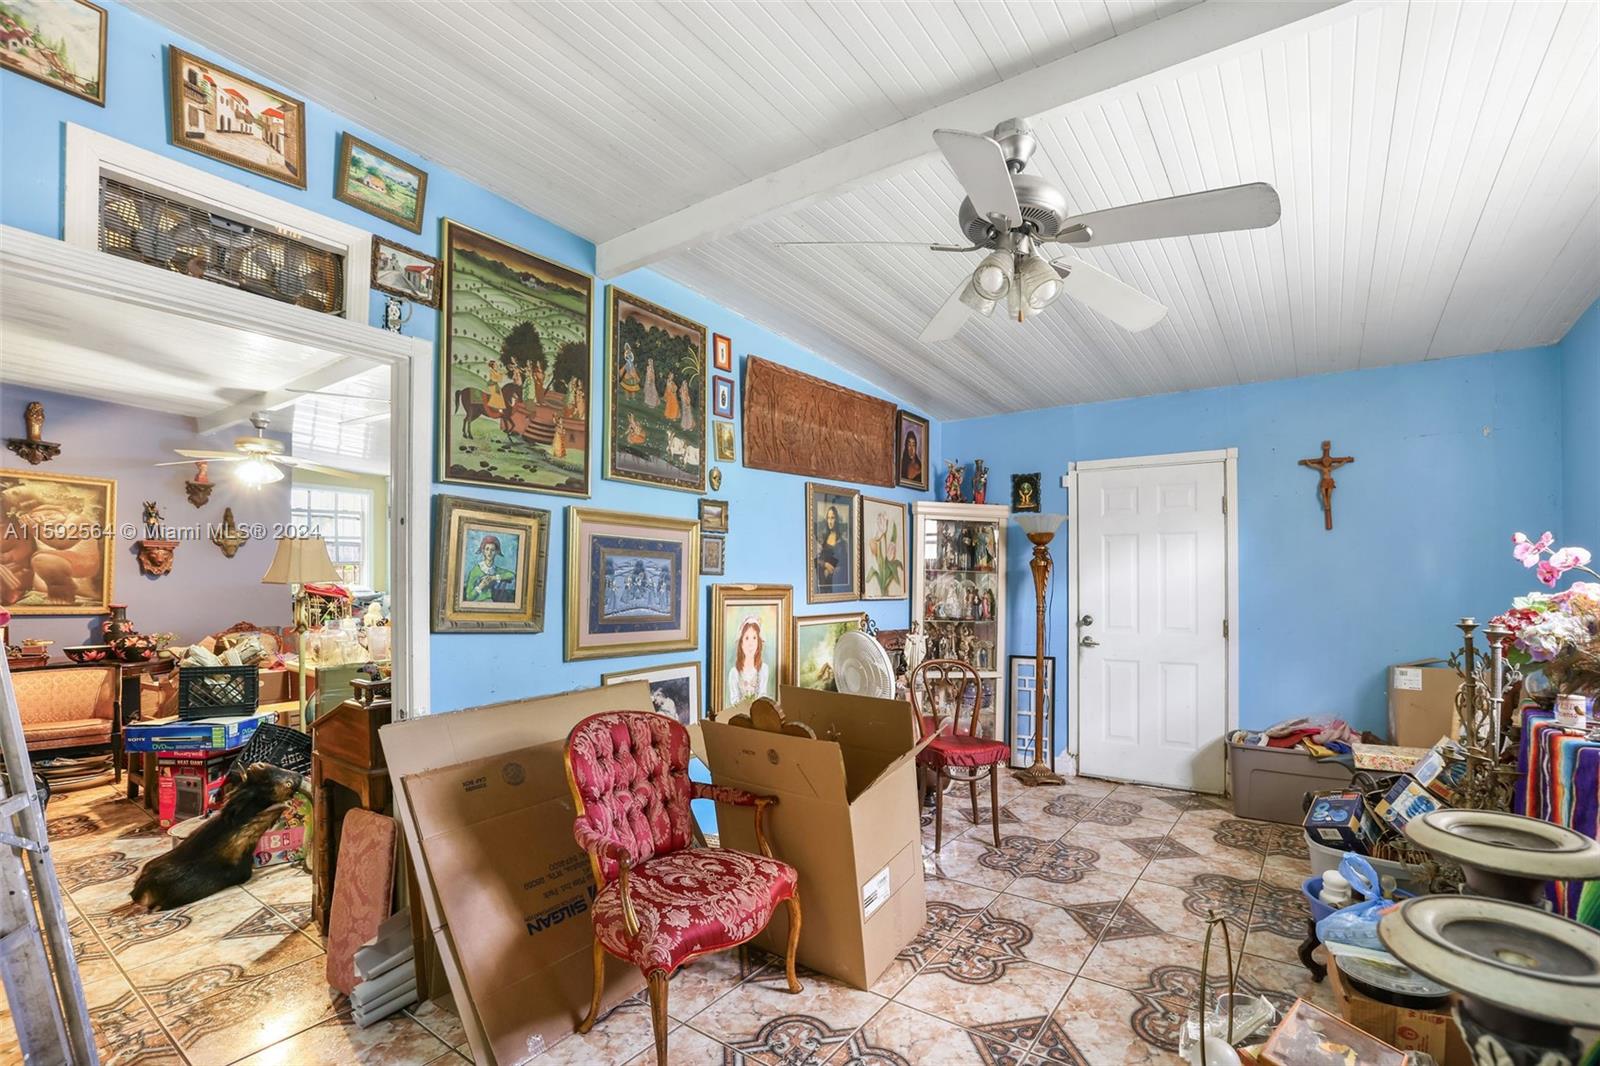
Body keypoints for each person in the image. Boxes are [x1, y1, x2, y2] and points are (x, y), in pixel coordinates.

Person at [727, 616, 769, 701]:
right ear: (741, 643)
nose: (751, 644)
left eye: (754, 638)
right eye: (746, 638)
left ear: (758, 643)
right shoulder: (734, 673)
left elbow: (762, 695)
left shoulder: (763, 669)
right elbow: (734, 701)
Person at [463, 534, 515, 602]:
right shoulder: (475, 571)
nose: (489, 553)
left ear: (496, 552)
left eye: (492, 550)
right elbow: (469, 597)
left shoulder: (495, 569)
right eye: (487, 549)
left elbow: (512, 575)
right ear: (483, 551)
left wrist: (492, 578)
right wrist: (481, 586)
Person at [815, 504, 846, 592]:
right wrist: (825, 565)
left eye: (832, 518)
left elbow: (843, 566)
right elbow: (815, 560)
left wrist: (830, 571)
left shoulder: (841, 542)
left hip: (834, 583)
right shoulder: (823, 539)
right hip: (821, 581)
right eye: (828, 518)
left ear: (836, 520)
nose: (830, 521)